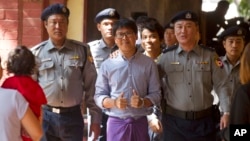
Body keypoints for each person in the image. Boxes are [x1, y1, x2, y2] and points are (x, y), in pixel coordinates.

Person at [30, 3, 102, 141]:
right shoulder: (36, 53)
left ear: (67, 24)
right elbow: (30, 90)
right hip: (45, 117)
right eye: (54, 22)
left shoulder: (81, 50)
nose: (58, 26)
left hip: (72, 117)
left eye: (62, 22)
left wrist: (95, 119)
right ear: (46, 24)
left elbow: (92, 87)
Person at [158, 10, 230, 141]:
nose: (183, 31)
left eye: (188, 26)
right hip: (174, 123)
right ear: (174, 30)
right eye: (179, 27)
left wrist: (227, 112)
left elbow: (222, 85)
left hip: (203, 123)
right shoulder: (165, 57)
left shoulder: (210, 55)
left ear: (197, 29)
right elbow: (152, 84)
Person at [94, 18, 161, 141]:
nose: (124, 38)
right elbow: (98, 96)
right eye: (120, 34)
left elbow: (156, 94)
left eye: (128, 33)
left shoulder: (148, 64)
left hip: (140, 123)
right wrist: (114, 102)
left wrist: (142, 102)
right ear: (115, 39)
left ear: (136, 36)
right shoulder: (107, 65)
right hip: (116, 123)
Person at [1, 45, 47, 141]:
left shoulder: (8, 83)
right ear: (32, 65)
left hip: (14, 128)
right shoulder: (35, 85)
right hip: (31, 129)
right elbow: (42, 107)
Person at [88, 8, 120, 141]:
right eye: (106, 24)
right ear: (99, 27)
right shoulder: (89, 49)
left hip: (121, 107)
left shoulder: (128, 48)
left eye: (114, 24)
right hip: (98, 107)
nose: (110, 27)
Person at [139, 17, 165, 141]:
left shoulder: (169, 60)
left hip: (170, 116)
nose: (148, 41)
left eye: (152, 36)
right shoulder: (136, 62)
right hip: (142, 115)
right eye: (144, 37)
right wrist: (150, 116)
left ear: (161, 39)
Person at [218, 26, 246, 101]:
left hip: (242, 110)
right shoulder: (215, 64)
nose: (234, 45)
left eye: (238, 42)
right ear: (224, 44)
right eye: (231, 41)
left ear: (243, 44)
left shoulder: (247, 65)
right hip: (220, 110)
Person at [230, 42, 250, 124]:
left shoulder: (245, 92)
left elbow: (239, 132)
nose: (234, 45)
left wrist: (224, 133)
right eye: (231, 41)